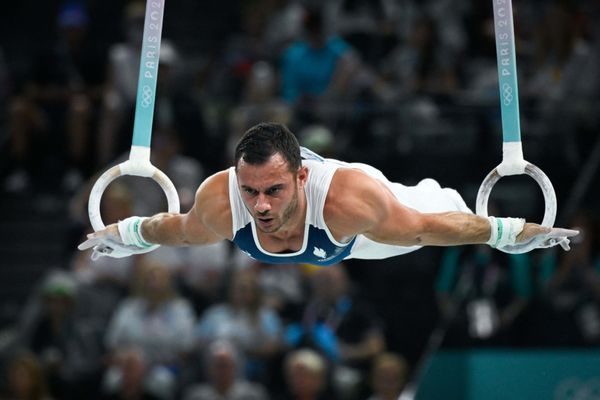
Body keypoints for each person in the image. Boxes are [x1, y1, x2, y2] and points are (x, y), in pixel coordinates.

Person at [79, 122, 578, 267]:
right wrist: (126, 233)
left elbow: (429, 229)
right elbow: (179, 232)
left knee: (429, 210)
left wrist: (509, 232)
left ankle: (429, 191)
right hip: (337, 239)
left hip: (359, 231)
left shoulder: (348, 200)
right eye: (249, 191)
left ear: (299, 177)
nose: (260, 206)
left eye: (273, 189)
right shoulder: (221, 201)